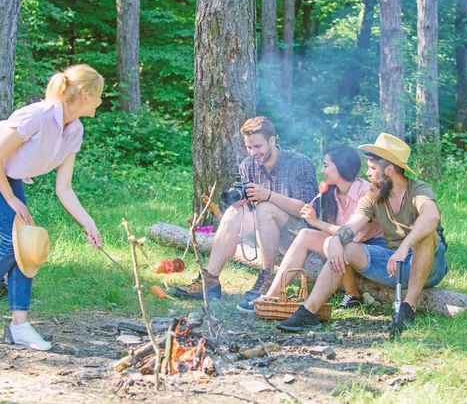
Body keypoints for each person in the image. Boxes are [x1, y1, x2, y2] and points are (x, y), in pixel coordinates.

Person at [0, 64, 104, 350]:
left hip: (7, 172)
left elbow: (64, 188)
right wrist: (11, 200)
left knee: (28, 244)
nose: (101, 101)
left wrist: (89, 223)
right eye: (98, 95)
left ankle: (20, 325)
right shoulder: (37, 116)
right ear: (85, 95)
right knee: (13, 241)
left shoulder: (74, 130)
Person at [275, 133, 447, 336]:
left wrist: (404, 248)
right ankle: (308, 312)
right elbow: (352, 226)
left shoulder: (418, 189)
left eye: (372, 168)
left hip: (428, 266)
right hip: (391, 262)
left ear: (389, 170)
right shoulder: (373, 196)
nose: (367, 173)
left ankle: (407, 308)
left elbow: (431, 217)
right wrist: (336, 241)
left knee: (427, 235)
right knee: (345, 248)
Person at [171, 116, 317, 305]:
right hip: (264, 232)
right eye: (248, 147)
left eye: (257, 146)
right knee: (233, 213)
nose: (253, 152)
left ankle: (267, 277)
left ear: (272, 141)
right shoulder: (248, 165)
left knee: (265, 207)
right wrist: (240, 203)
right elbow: (250, 209)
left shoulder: (299, 163)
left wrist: (268, 195)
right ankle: (210, 281)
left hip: (297, 235)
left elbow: (306, 211)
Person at [236, 144, 383, 313]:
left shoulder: (365, 192)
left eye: (326, 165)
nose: (322, 170)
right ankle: (270, 296)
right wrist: (312, 219)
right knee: (306, 234)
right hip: (340, 247)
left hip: (368, 250)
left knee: (336, 242)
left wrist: (316, 222)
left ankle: (352, 295)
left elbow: (356, 236)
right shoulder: (330, 192)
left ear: (342, 167)